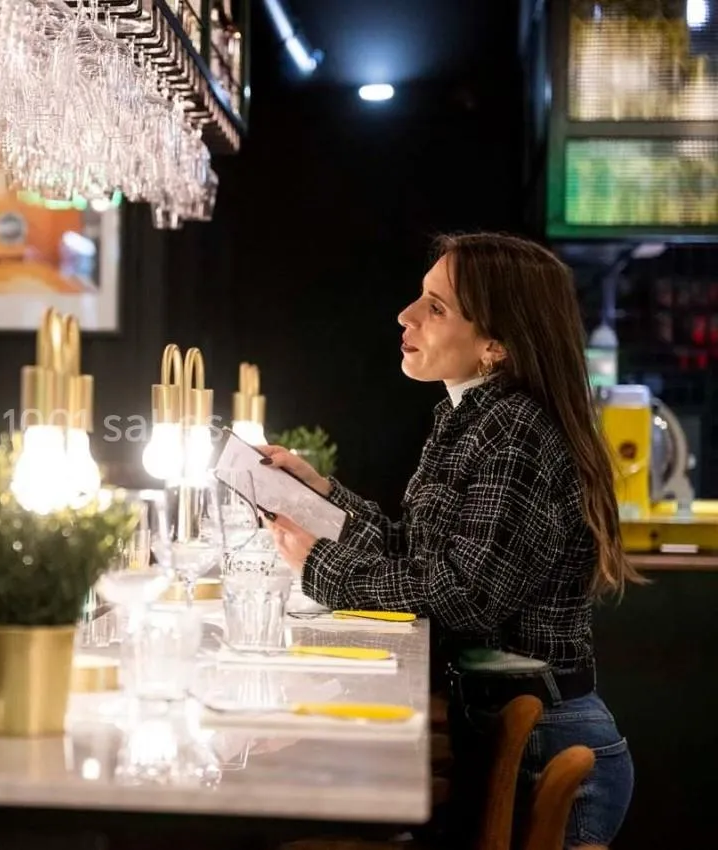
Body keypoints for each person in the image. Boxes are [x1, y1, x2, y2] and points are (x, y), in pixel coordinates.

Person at [260, 233, 637, 848]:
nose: (405, 316)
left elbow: (463, 596)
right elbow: (419, 552)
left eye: (435, 307)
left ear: (496, 345)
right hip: (507, 728)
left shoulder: (514, 431)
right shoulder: (473, 416)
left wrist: (321, 566)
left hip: (545, 744)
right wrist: (320, 494)